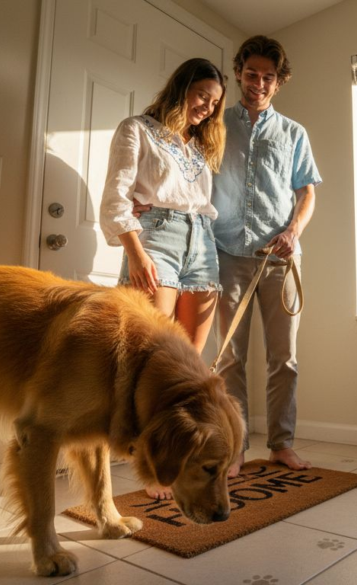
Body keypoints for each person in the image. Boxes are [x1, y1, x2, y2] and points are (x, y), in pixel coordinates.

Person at [99, 57, 227, 499]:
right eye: (201, 96)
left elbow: (202, 205)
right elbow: (116, 196)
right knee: (151, 361)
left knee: (190, 364)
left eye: (214, 103)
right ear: (181, 88)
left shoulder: (198, 149)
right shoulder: (136, 129)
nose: (207, 108)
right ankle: (147, 461)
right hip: (157, 237)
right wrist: (135, 250)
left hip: (203, 244)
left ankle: (180, 456)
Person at [213, 36, 321, 478]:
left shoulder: (294, 133)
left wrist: (293, 231)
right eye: (252, 74)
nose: (259, 83)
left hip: (279, 260)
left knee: (285, 357)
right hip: (225, 253)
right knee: (229, 358)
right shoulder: (215, 123)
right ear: (239, 72)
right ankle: (235, 448)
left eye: (268, 77)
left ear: (279, 82)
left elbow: (307, 192)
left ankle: (281, 445)